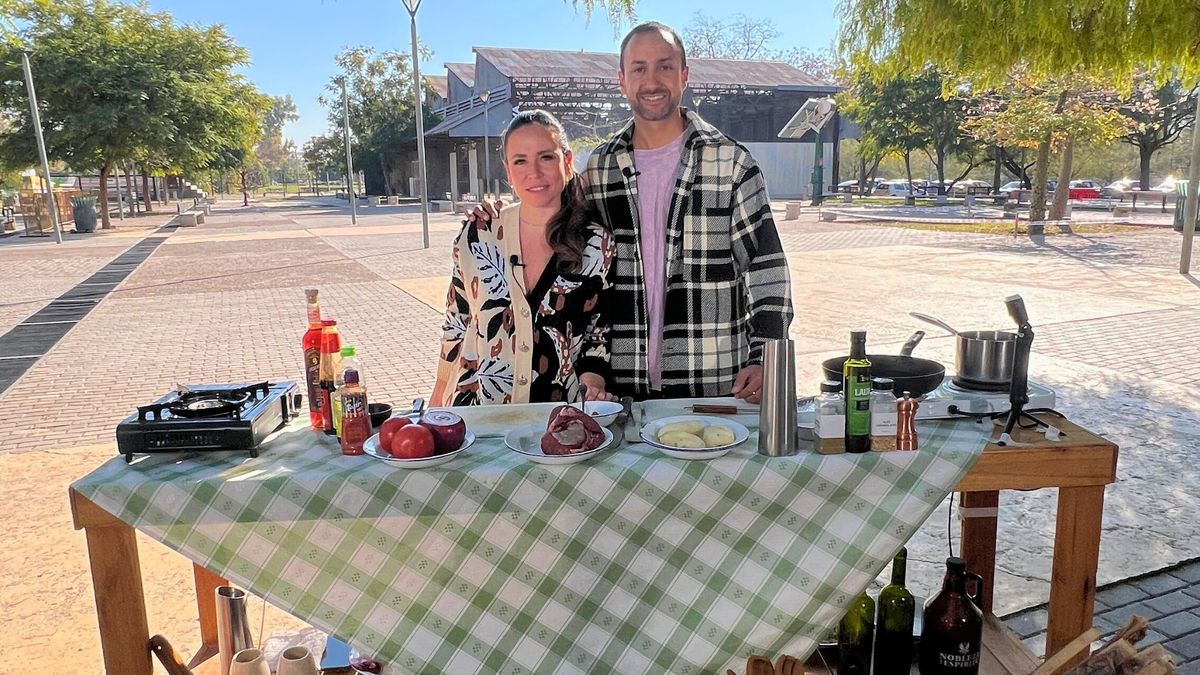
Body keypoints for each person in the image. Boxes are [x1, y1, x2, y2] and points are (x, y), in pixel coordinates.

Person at [476, 22, 793, 402]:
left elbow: (767, 269)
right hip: (619, 386)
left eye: (665, 66)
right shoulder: (600, 168)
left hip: (711, 380)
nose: (652, 80)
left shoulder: (731, 165)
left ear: (684, 76)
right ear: (622, 80)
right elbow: (552, 215)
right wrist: (498, 214)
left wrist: (765, 355)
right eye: (639, 68)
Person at [432, 110, 617, 407]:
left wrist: (592, 381)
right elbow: (456, 322)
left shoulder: (597, 245)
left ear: (567, 162)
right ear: (508, 171)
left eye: (546, 157)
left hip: (557, 419)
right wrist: (436, 406)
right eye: (520, 160)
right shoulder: (479, 235)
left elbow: (599, 331)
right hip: (479, 417)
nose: (534, 172)